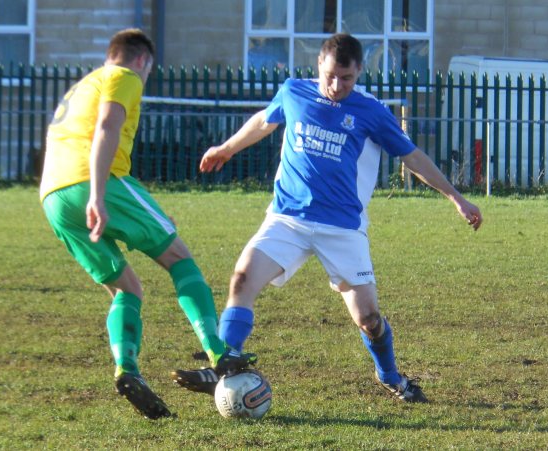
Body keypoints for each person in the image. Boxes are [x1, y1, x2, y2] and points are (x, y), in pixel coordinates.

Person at [172, 33, 482, 403]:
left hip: (342, 229)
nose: (337, 85)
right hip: (288, 218)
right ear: (319, 65)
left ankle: (391, 376)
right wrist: (225, 148)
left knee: (368, 318)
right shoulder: (293, 92)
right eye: (331, 76)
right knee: (241, 278)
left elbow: (413, 157)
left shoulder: (372, 111)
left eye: (347, 78)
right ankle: (227, 362)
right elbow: (263, 122)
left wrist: (456, 198)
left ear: (360, 72)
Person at [39, 28, 254, 420]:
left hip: (52, 196)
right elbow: (106, 128)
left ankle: (127, 368)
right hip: (91, 182)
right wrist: (98, 196)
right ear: (142, 61)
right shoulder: (124, 76)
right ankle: (220, 354)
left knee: (127, 288)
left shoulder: (83, 85)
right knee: (178, 257)